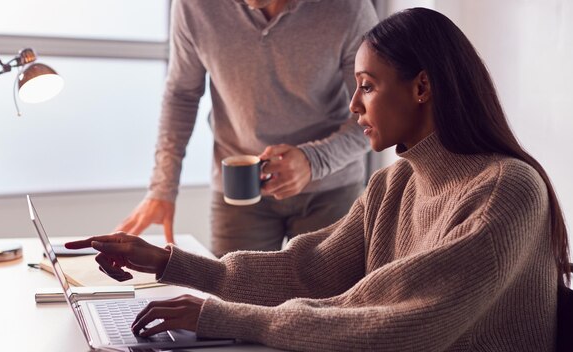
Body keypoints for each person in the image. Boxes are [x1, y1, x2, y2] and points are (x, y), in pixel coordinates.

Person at [67, 7, 570, 351]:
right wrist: (165, 261)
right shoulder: (393, 186)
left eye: (367, 87)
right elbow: (306, 271)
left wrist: (221, 316)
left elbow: (399, 327)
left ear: (422, 87)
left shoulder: (506, 190)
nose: (354, 107)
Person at [116, 0, 378, 256]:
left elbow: (375, 114)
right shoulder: (193, 6)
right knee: (231, 296)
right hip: (239, 191)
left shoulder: (350, 8)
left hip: (330, 190)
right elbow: (181, 95)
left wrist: (313, 161)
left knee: (330, 298)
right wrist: (163, 187)